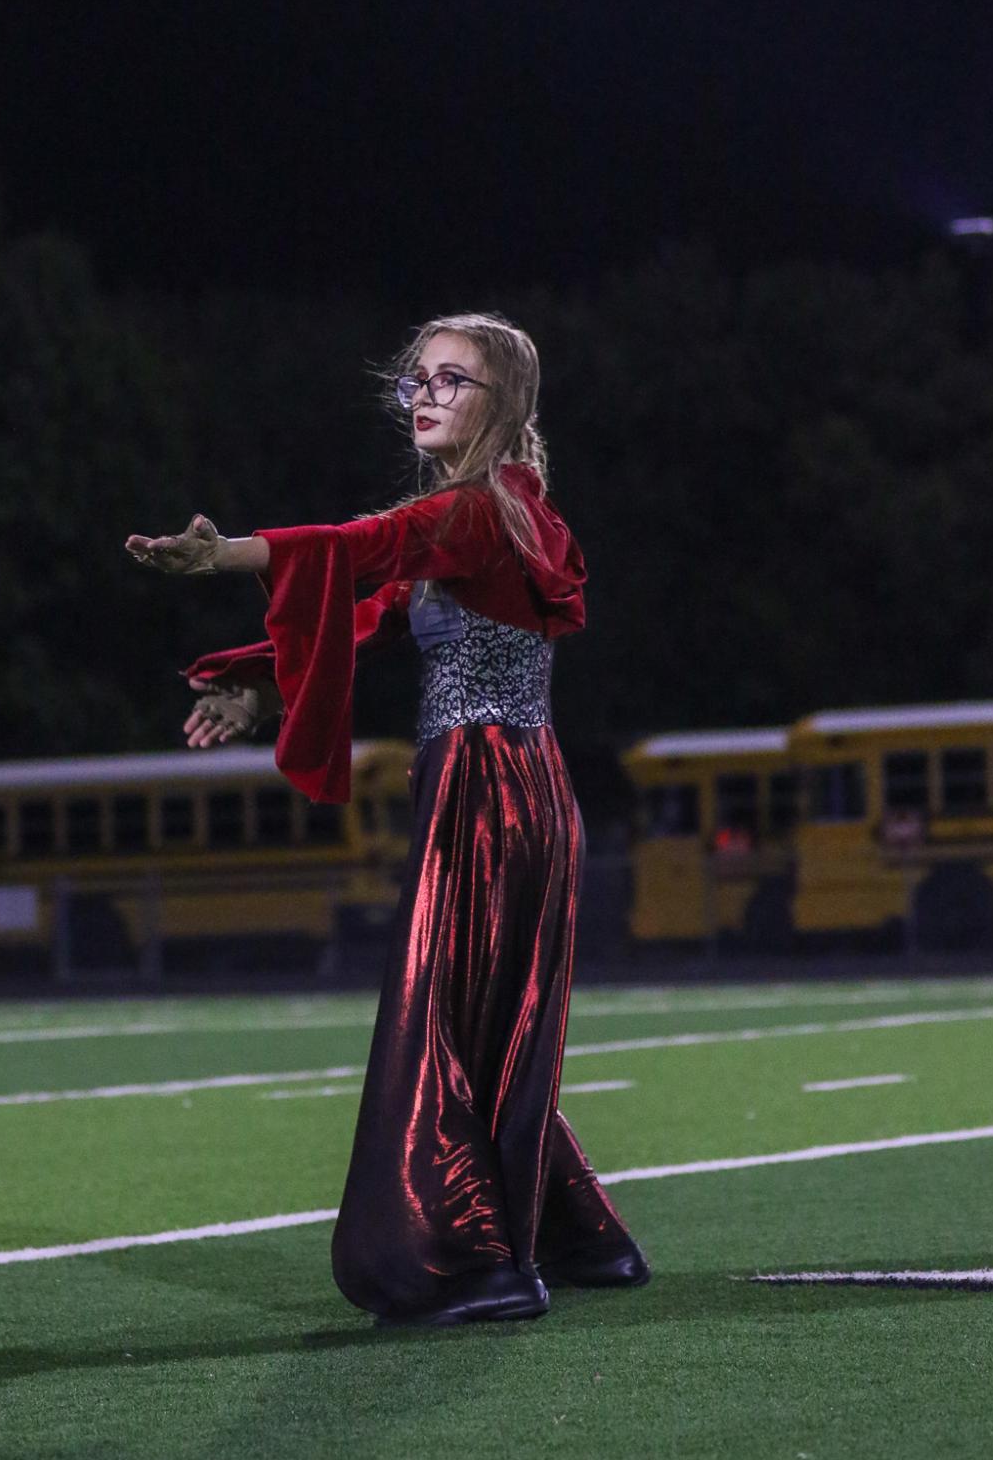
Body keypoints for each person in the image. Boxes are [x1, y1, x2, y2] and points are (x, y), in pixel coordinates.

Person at [125, 312, 648, 1327]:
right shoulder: (500, 514)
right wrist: (265, 694)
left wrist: (228, 554)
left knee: (438, 1028)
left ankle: (467, 1263)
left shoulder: (474, 513)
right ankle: (569, 1234)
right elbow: (366, 611)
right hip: (522, 785)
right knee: (490, 1025)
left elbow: (362, 548)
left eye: (452, 381)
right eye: (418, 378)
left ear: (503, 406)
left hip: (484, 789)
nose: (424, 394)